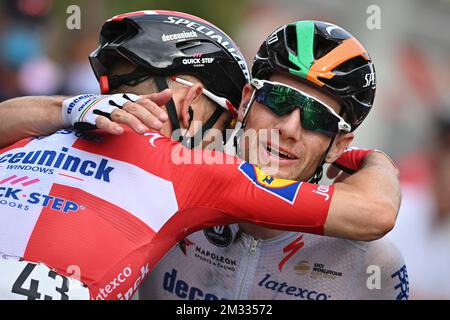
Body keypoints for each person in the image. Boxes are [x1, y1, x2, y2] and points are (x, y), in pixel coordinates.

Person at [0, 12, 402, 300]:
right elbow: (377, 209)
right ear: (245, 103)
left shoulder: (375, 263)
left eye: (318, 118)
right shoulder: (191, 171)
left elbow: (376, 214)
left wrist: (65, 109)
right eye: (278, 101)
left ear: (339, 144)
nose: (290, 128)